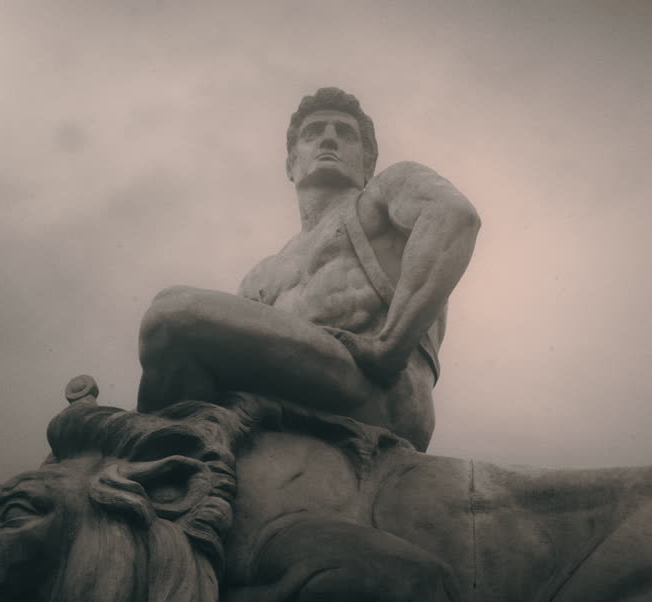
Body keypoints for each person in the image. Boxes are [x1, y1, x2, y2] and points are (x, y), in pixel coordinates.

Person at [136, 88, 479, 451]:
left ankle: (150, 455)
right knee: (172, 322)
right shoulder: (262, 275)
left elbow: (455, 216)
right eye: (313, 132)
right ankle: (166, 467)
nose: (328, 137)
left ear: (368, 161)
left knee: (172, 314)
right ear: (290, 164)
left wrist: (390, 346)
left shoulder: (384, 196)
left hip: (376, 391)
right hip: (300, 392)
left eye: (345, 133)